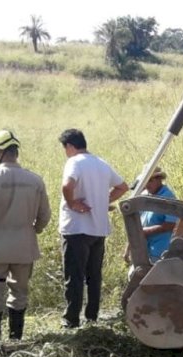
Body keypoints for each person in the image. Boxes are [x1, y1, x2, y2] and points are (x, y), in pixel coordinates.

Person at [0, 130, 51, 342]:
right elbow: (45, 216)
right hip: (25, 248)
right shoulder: (35, 180)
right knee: (19, 294)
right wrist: (34, 230)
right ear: (15, 151)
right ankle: (16, 341)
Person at [58, 128, 129, 328]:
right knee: (94, 277)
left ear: (70, 146)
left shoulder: (74, 162)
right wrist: (101, 201)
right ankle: (92, 318)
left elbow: (67, 185)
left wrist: (72, 204)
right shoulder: (101, 163)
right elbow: (123, 186)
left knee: (74, 277)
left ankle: (71, 320)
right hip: (98, 230)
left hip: (77, 229)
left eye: (65, 148)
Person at [124, 168, 178, 265]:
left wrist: (144, 232)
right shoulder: (143, 197)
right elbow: (135, 223)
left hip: (160, 252)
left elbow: (170, 224)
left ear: (159, 179)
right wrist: (128, 247)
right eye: (145, 181)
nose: (147, 185)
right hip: (143, 252)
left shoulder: (168, 197)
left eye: (150, 181)